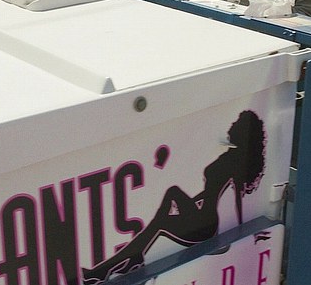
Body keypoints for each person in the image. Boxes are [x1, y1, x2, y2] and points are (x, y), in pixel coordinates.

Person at [81, 110, 267, 285]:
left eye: (236, 123)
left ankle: (112, 267)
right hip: (200, 214)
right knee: (161, 218)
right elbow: (209, 192)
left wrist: (241, 234)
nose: (232, 125)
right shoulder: (228, 155)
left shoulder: (235, 161)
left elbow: (236, 198)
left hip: (205, 223)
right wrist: (191, 203)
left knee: (167, 204)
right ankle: (117, 265)